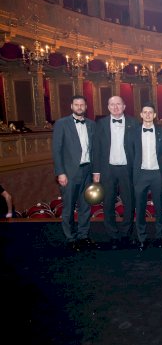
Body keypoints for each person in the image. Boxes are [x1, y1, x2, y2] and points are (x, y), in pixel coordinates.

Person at [93, 95, 138, 249]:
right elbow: (97, 149)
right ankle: (112, 236)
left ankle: (125, 234)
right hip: (108, 169)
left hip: (127, 169)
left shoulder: (133, 122)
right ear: (108, 107)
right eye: (112, 104)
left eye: (118, 104)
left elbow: (138, 148)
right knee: (108, 203)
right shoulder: (101, 124)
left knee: (129, 202)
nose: (115, 107)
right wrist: (96, 171)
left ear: (124, 106)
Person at [52, 95, 96, 251]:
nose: (79, 107)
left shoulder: (91, 124)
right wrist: (60, 172)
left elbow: (94, 149)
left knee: (85, 206)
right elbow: (56, 150)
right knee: (69, 208)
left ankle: (83, 236)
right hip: (69, 173)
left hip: (87, 170)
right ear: (71, 106)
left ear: (86, 107)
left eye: (82, 105)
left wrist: (95, 171)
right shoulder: (61, 123)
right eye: (76, 104)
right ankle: (71, 238)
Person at [132, 103, 162, 251]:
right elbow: (130, 153)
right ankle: (142, 238)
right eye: (145, 112)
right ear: (141, 115)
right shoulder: (133, 132)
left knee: (159, 207)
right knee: (140, 207)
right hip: (140, 174)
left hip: (157, 174)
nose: (147, 115)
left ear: (154, 115)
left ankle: (160, 237)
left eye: (150, 112)